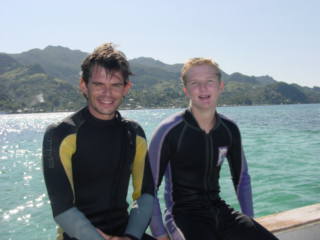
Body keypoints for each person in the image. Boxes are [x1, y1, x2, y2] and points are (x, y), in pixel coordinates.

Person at [148, 58, 278, 240]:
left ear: (220, 86)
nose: (203, 88)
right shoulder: (169, 131)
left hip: (220, 210)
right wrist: (160, 233)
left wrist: (249, 222)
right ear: (186, 90)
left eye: (209, 82)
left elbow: (242, 178)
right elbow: (149, 186)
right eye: (195, 83)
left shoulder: (228, 129)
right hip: (183, 216)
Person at [42, 43, 155, 240]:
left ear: (126, 88)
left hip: (126, 233)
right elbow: (62, 208)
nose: (107, 93)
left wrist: (131, 236)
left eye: (115, 85)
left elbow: (145, 194)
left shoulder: (133, 133)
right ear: (83, 85)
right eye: (98, 84)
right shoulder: (61, 134)